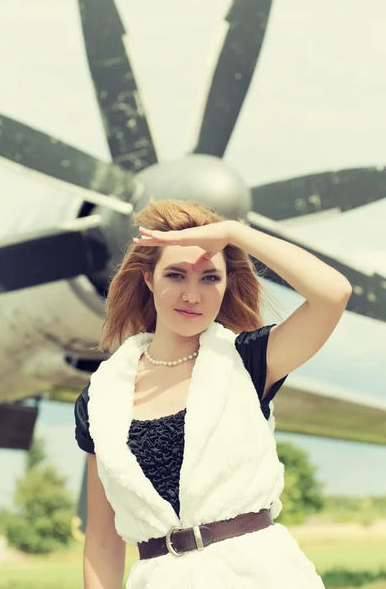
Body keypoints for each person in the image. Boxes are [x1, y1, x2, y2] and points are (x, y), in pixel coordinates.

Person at [74, 198, 352, 588]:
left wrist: (233, 233)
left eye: (209, 278)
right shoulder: (100, 399)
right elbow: (103, 543)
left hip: (259, 576)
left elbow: (333, 293)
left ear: (226, 284)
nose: (193, 295)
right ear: (148, 279)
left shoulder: (250, 361)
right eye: (175, 275)